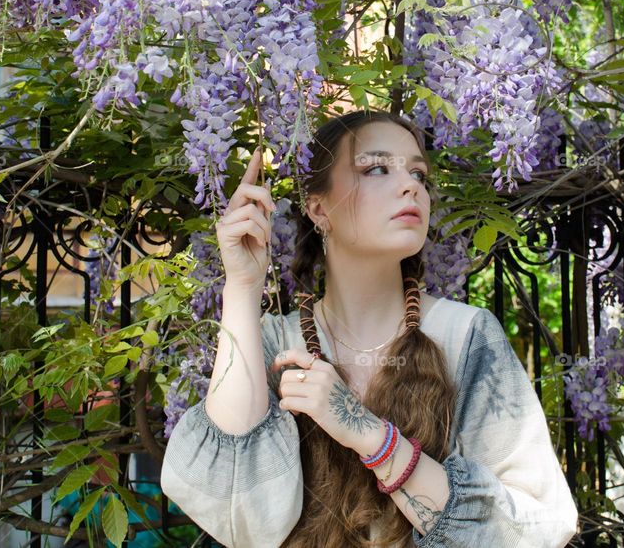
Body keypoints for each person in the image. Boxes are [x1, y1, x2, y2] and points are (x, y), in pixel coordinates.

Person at [161, 110, 579, 547]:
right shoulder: (274, 342)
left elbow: (538, 527)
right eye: (376, 168)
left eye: (419, 173)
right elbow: (236, 513)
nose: (410, 185)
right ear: (319, 207)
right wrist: (243, 287)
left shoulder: (465, 334)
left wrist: (371, 436)